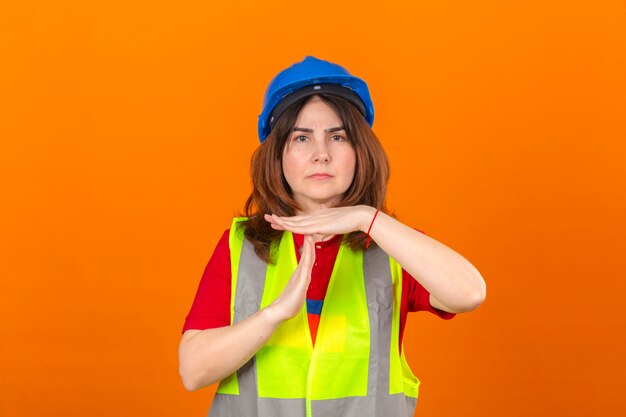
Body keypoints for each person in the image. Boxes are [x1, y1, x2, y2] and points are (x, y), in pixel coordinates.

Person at [178, 56, 486, 417]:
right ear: (278, 156)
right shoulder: (241, 245)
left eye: (337, 137)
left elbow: (469, 293)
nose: (321, 155)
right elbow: (192, 371)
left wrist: (366, 218)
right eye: (302, 138)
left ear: (360, 153)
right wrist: (273, 315)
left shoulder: (389, 244)